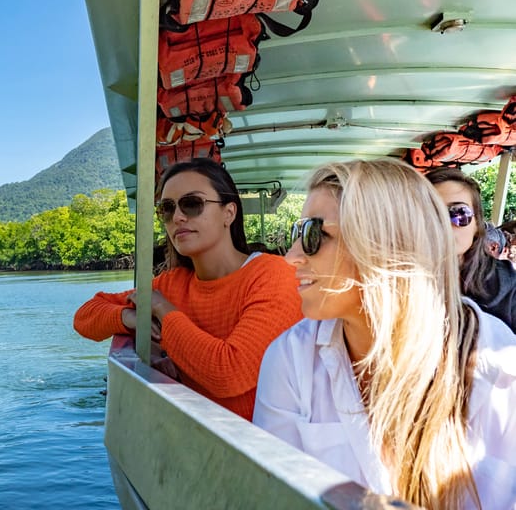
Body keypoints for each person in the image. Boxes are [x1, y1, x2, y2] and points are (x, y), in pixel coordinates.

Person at [253, 158, 516, 509]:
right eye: (296, 234)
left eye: (314, 234)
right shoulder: (291, 360)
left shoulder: (500, 367)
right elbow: (276, 498)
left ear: (386, 243)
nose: (292, 257)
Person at [73, 158, 301, 421]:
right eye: (167, 209)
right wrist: (131, 318)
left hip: (265, 451)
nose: (178, 217)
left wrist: (162, 310)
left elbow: (228, 373)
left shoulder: (274, 275)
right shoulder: (173, 284)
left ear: (229, 213)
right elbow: (85, 316)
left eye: (192, 204)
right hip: (198, 445)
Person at [426, 167, 516, 333]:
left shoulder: (508, 288)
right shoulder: (391, 279)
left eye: (460, 213)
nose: (444, 224)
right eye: (431, 213)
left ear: (477, 225)